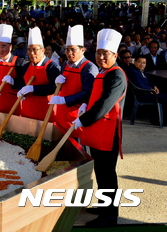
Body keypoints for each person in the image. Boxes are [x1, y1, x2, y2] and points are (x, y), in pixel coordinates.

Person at [72, 29, 126, 228]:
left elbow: (105, 104)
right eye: (98, 52)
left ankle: (110, 216)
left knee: (107, 174)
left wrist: (83, 120)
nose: (101, 57)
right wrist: (85, 105)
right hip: (97, 130)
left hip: (108, 132)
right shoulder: (102, 72)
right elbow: (95, 98)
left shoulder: (117, 75)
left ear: (115, 55)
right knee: (100, 171)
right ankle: (104, 207)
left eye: (105, 53)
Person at [49, 25, 98, 136]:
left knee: (76, 146)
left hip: (76, 114)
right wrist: (57, 83)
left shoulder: (89, 68)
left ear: (83, 50)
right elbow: (63, 84)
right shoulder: (65, 64)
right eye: (67, 49)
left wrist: (64, 100)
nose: (69, 53)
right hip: (62, 113)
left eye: (73, 49)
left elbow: (88, 93)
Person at [17, 27, 60, 121]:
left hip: (45, 111)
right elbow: (21, 81)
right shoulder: (26, 66)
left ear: (42, 50)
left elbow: (54, 87)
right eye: (29, 50)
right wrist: (20, 90)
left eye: (35, 50)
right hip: (27, 110)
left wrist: (33, 88)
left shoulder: (52, 66)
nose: (31, 53)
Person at [0, 24, 25, 113]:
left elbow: (24, 82)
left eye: (3, 46)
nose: (0, 49)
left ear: (10, 47)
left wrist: (13, 81)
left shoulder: (19, 62)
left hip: (11, 105)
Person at [127, 56, 166, 125]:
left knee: (165, 95)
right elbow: (138, 85)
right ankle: (159, 121)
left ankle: (161, 119)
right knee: (164, 99)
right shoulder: (133, 72)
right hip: (143, 94)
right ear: (135, 62)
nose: (142, 64)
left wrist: (154, 86)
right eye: (139, 62)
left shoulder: (142, 71)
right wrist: (150, 90)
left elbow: (149, 82)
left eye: (144, 63)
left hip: (148, 92)